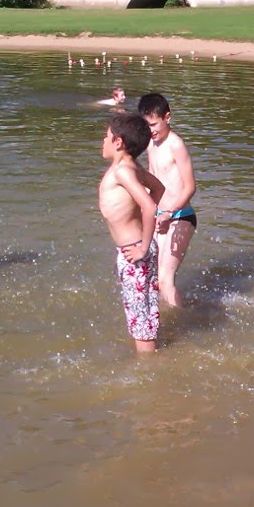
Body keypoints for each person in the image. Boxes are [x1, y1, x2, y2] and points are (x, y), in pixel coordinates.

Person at [98, 112, 167, 352]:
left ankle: (147, 369)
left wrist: (143, 248)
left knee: (140, 322)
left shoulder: (122, 172)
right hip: (136, 249)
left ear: (118, 142)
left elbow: (150, 206)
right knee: (144, 314)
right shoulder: (132, 167)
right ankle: (152, 360)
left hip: (135, 253)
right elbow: (158, 188)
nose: (103, 141)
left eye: (106, 136)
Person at [138, 93, 197, 308]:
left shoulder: (176, 145)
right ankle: (161, 317)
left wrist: (169, 212)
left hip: (181, 216)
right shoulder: (150, 144)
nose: (150, 130)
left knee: (164, 279)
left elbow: (190, 186)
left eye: (154, 124)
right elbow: (152, 181)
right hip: (159, 217)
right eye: (146, 125)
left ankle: (184, 322)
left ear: (167, 117)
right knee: (152, 279)